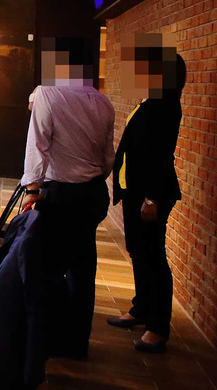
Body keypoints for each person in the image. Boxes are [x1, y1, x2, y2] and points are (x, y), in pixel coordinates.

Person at [22, 36, 114, 360]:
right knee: (82, 266)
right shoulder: (103, 101)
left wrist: (32, 189)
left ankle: (43, 338)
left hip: (60, 194)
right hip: (92, 194)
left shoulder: (48, 93)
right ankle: (77, 343)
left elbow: (38, 145)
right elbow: (107, 158)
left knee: (46, 265)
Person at [107, 35, 186, 353]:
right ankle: (140, 309)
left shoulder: (165, 106)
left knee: (153, 256)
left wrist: (151, 197)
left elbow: (161, 154)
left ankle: (158, 326)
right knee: (138, 251)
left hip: (151, 194)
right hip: (135, 190)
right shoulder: (149, 101)